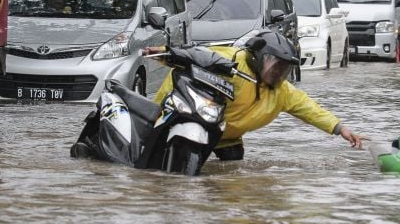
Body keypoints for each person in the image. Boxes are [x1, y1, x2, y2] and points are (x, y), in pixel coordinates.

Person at [144, 29, 364, 161]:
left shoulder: (282, 92)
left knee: (233, 176)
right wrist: (164, 53)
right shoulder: (232, 63)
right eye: (275, 65)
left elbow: (310, 109)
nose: (278, 73)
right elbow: (194, 56)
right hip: (186, 119)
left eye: (284, 69)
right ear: (259, 58)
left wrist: (340, 129)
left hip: (226, 139)